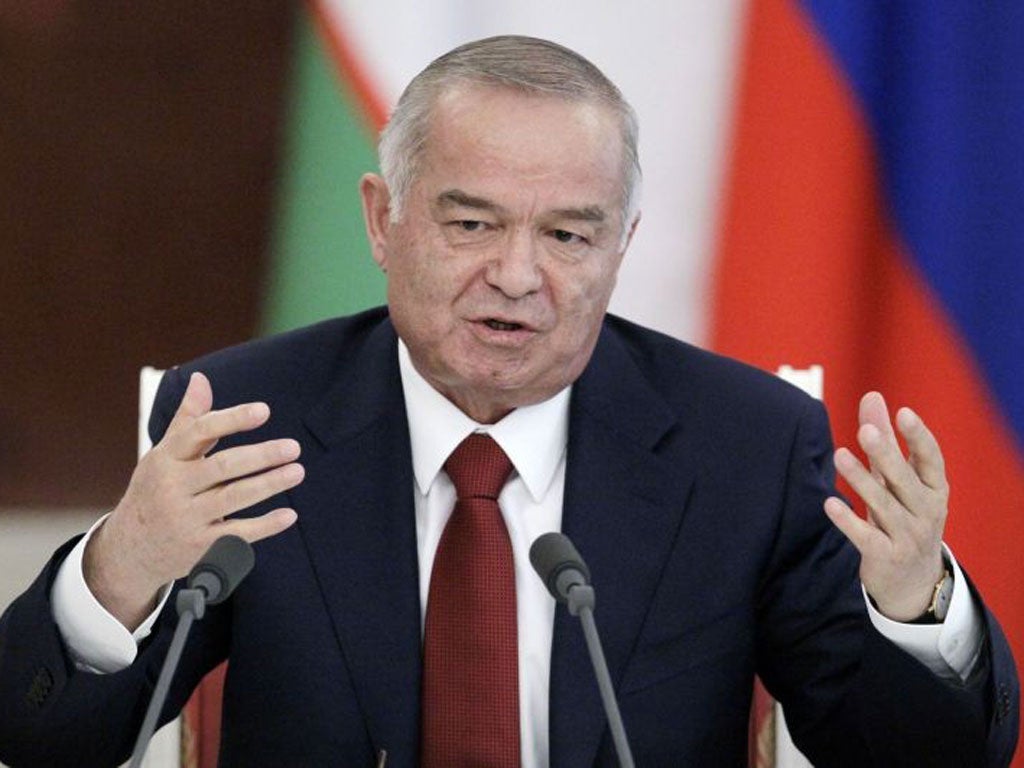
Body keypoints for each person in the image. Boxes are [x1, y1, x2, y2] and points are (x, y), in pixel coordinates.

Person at [0, 35, 1018, 767]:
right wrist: (121, 568)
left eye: (569, 235)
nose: (519, 276)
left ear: (620, 246)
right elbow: (41, 738)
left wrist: (913, 605)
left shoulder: (743, 446)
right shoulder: (247, 421)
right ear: (382, 221)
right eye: (472, 224)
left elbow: (911, 754)